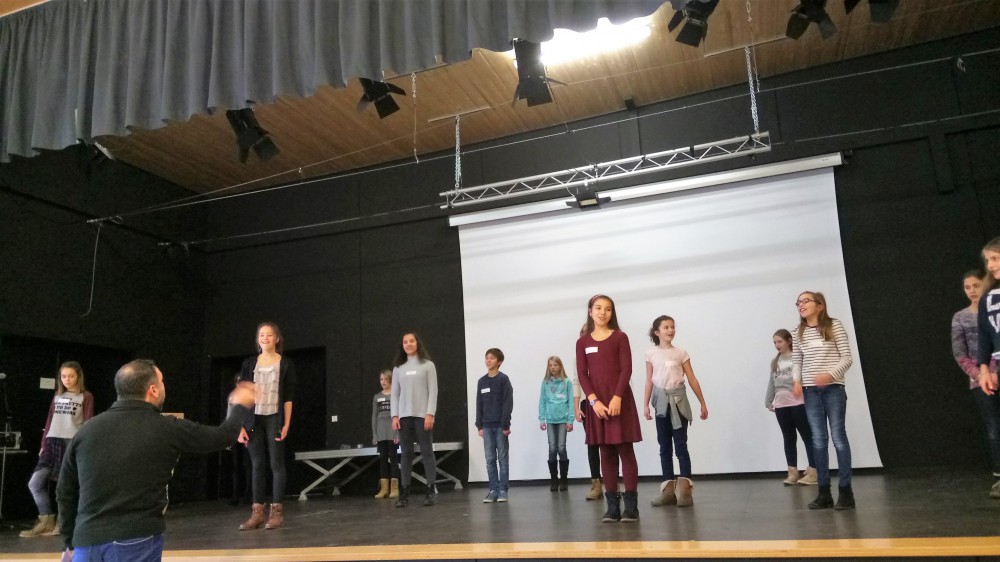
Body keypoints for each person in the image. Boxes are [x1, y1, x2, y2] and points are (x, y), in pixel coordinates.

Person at [56, 359, 255, 562]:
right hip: (135, 540)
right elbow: (224, 436)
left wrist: (69, 543)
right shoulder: (167, 428)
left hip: (86, 543)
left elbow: (65, 491)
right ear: (153, 390)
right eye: (162, 381)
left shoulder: (86, 430)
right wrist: (238, 405)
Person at [575, 294, 642, 523]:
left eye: (608, 309)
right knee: (605, 452)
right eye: (598, 308)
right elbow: (582, 374)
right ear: (590, 311)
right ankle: (612, 507)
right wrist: (594, 401)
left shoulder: (620, 337)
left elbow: (626, 369)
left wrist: (617, 398)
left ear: (612, 313)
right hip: (598, 404)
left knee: (625, 450)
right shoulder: (582, 342)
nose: (603, 312)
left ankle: (631, 508)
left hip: (619, 400)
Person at [791, 292, 855, 510]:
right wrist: (797, 381)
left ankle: (845, 492)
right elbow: (797, 361)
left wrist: (830, 375)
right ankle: (824, 492)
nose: (801, 305)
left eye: (805, 301)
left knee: (838, 438)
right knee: (818, 440)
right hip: (810, 392)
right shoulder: (797, 332)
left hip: (833, 389)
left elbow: (847, 358)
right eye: (798, 302)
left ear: (820, 306)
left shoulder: (834, 325)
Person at [20, 362, 94, 538]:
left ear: (78, 377)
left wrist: (82, 447)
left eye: (71, 376)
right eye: (63, 376)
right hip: (52, 442)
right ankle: (46, 520)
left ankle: (62, 524)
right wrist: (43, 444)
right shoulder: (57, 395)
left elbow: (88, 422)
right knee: (35, 483)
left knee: (64, 487)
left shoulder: (86, 396)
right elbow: (49, 420)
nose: (67, 380)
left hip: (71, 443)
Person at [642, 315, 708, 508]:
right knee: (664, 447)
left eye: (672, 327)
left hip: (678, 402)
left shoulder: (681, 353)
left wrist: (702, 402)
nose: (670, 330)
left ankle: (685, 492)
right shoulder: (650, 354)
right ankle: (668, 492)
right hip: (661, 404)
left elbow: (692, 378)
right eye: (666, 327)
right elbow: (649, 380)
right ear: (657, 332)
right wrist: (645, 404)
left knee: (681, 445)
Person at [237, 322, 296, 530]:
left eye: (269, 335)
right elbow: (242, 395)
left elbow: (288, 398)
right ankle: (257, 514)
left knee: (276, 464)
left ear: (277, 339)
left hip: (275, 418)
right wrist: (239, 426)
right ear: (258, 339)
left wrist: (287, 423)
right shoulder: (249, 363)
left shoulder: (285, 364)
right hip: (253, 419)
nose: (265, 338)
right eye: (262, 335)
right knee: (257, 464)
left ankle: (276, 513)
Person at [391, 332, 439, 507]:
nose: (409, 344)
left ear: (417, 343)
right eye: (405, 342)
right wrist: (395, 416)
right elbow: (394, 394)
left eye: (411, 341)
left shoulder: (428, 365)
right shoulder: (398, 368)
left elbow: (433, 391)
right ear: (402, 346)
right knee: (405, 454)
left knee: (427, 451)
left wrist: (430, 413)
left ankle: (430, 490)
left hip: (422, 416)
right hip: (404, 417)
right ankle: (404, 492)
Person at [765, 329, 817, 487]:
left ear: (789, 341)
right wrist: (768, 400)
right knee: (788, 437)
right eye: (775, 342)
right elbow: (772, 382)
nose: (777, 345)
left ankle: (813, 471)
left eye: (779, 341)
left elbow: (805, 378)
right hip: (781, 405)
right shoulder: (775, 361)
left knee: (807, 436)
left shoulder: (797, 358)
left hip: (798, 403)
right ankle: (792, 472)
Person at [975, 239, 1000, 499]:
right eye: (989, 260)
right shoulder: (989, 297)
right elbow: (984, 336)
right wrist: (984, 369)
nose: (991, 265)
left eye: (996, 258)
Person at [475, 348, 514, 503]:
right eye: (487, 357)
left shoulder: (503, 379)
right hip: (486, 425)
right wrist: (479, 425)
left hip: (500, 426)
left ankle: (503, 490)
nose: (488, 360)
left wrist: (506, 424)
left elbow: (508, 403)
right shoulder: (481, 381)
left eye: (492, 358)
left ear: (499, 361)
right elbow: (479, 404)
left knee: (502, 459)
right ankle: (493, 490)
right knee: (490, 459)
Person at [539, 356, 574, 492]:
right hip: (550, 419)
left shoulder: (567, 383)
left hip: (563, 419)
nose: (552, 367)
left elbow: (571, 402)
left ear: (560, 366)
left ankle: (564, 478)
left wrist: (570, 420)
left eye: (555, 365)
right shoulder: (545, 383)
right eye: (550, 365)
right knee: (552, 448)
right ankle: (554, 479)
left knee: (561, 447)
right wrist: (542, 419)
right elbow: (542, 401)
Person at [573, 377, 603, 500]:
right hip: (587, 402)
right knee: (592, 443)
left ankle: (614, 483)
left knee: (610, 443)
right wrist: (576, 408)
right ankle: (596, 485)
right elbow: (576, 381)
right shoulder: (579, 363)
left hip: (605, 398)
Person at [371, 369, 400, 500]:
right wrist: (375, 435)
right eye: (381, 379)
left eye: (386, 379)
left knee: (393, 459)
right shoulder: (376, 397)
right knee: (382, 459)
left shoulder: (395, 396)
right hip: (381, 433)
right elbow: (374, 417)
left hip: (392, 433)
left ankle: (395, 488)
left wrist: (397, 434)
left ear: (391, 380)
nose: (383, 382)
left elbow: (399, 415)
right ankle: (384, 489)